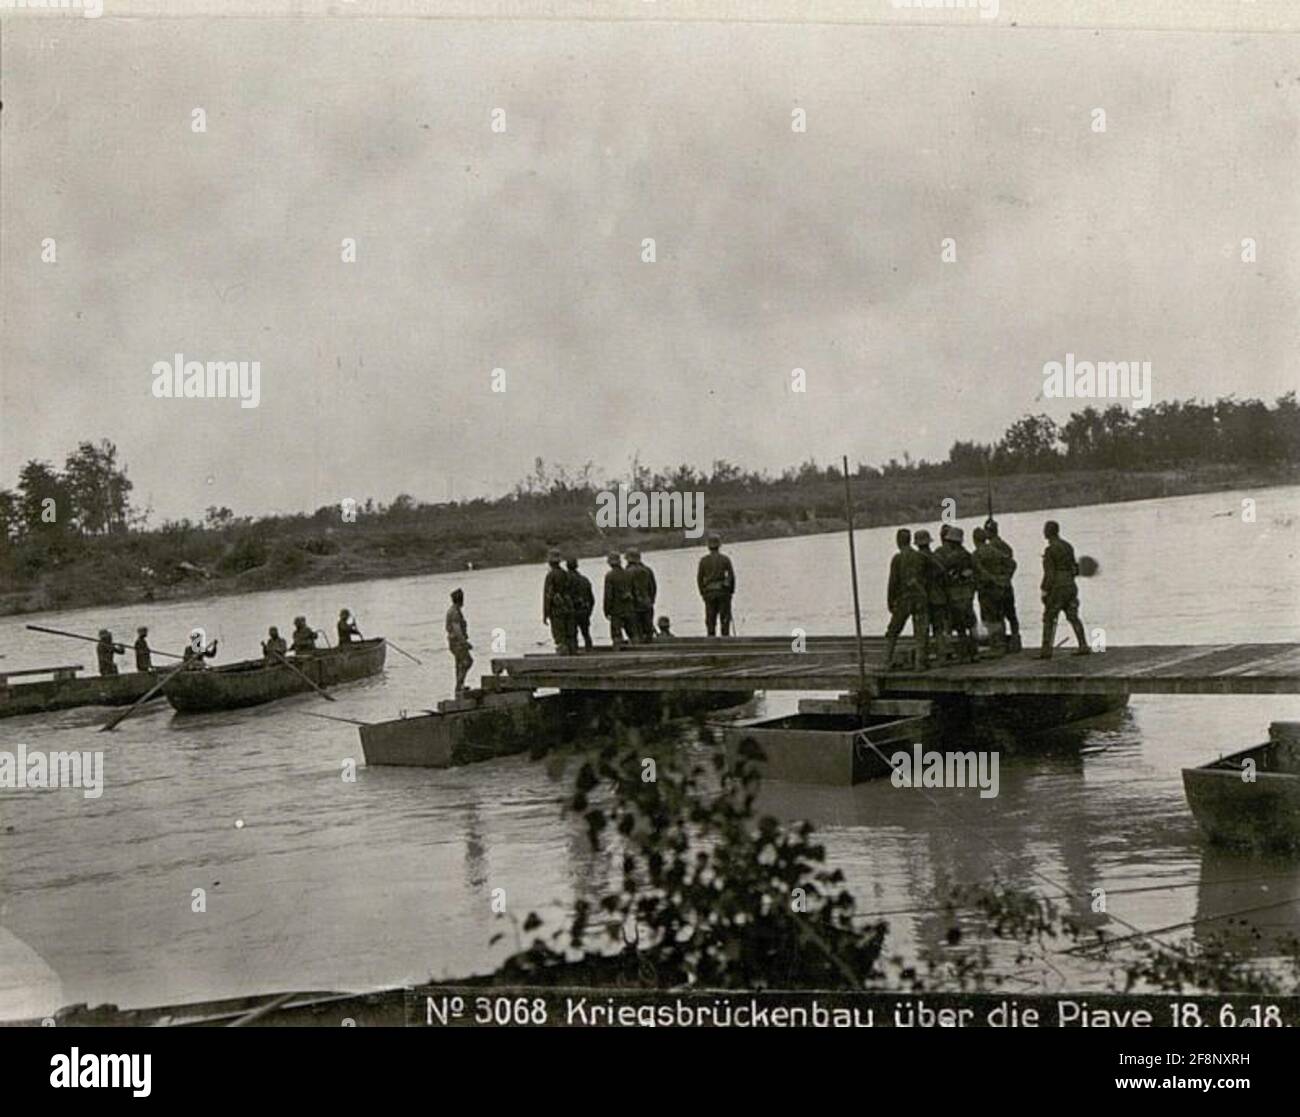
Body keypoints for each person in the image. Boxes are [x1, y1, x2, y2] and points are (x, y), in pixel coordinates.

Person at [1040, 520, 1091, 658]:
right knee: (1073, 616)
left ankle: (1046, 650)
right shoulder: (1068, 546)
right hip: (1070, 584)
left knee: (1049, 618)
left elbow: (1049, 574)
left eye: (1045, 529)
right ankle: (1083, 645)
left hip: (1057, 587)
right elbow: (1075, 568)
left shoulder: (1050, 550)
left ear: (1048, 532)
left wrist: (1044, 590)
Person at [884, 528, 929, 670]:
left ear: (898, 541)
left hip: (904, 599)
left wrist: (890, 602)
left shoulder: (897, 559)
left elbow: (892, 583)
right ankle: (920, 663)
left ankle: (887, 661)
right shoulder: (921, 556)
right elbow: (936, 571)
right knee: (920, 632)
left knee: (893, 631)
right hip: (920, 598)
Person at [937, 525, 977, 662]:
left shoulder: (946, 556)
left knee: (959, 627)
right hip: (967, 594)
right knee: (970, 624)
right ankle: (974, 653)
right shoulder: (967, 555)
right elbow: (973, 573)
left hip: (954, 594)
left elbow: (942, 574)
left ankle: (963, 655)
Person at [984, 518, 1021, 652]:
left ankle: (1001, 644)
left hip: (996, 587)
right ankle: (1016, 641)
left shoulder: (989, 549)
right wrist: (1007, 578)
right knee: (1011, 614)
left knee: (998, 615)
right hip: (1006, 585)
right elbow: (1012, 564)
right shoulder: (1006, 546)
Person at [913, 529, 950, 665]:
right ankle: (942, 658)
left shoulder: (917, 559)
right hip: (939, 598)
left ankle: (921, 662)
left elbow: (916, 580)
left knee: (922, 632)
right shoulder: (937, 557)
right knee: (939, 630)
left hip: (924, 599)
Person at [971, 527, 1008, 658]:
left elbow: (977, 571)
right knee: (999, 616)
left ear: (974, 540)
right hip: (998, 589)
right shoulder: (995, 551)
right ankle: (1002, 644)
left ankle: (995, 646)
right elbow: (1011, 563)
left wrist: (986, 579)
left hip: (986, 590)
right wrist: (1004, 578)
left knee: (989, 618)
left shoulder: (976, 555)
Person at [697, 532, 736, 637]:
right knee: (725, 620)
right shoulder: (725, 559)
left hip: (709, 593)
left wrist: (703, 593)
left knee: (710, 621)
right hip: (723, 592)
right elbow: (731, 576)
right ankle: (726, 640)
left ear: (708, 546)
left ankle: (711, 640)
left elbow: (699, 579)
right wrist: (731, 591)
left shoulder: (703, 561)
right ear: (719, 545)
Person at [542, 550, 577, 655]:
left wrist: (545, 614)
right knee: (570, 635)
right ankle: (573, 654)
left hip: (556, 610)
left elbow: (548, 596)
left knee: (559, 637)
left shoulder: (550, 576)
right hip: (569, 608)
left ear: (550, 562)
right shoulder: (566, 574)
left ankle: (563, 657)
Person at [603, 551, 636, 647]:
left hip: (616, 610)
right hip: (629, 608)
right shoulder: (629, 573)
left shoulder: (609, 576)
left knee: (616, 635)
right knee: (633, 634)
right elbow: (634, 591)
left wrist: (606, 610)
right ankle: (637, 649)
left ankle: (618, 650)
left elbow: (608, 595)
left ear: (610, 562)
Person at [624, 548, 657, 643]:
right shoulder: (648, 570)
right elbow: (653, 588)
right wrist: (651, 600)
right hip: (647, 604)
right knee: (648, 632)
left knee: (637, 633)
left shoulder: (627, 572)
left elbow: (627, 590)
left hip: (634, 607)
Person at [445, 588, 473, 696]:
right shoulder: (455, 612)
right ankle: (459, 686)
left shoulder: (453, 610)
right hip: (457, 643)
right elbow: (457, 629)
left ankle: (459, 687)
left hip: (454, 642)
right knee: (467, 661)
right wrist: (464, 643)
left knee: (459, 664)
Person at [566, 557, 595, 651]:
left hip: (572, 611)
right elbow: (591, 599)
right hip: (584, 610)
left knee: (572, 635)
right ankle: (589, 650)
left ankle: (574, 652)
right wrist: (589, 611)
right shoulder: (584, 580)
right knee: (586, 633)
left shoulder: (565, 580)